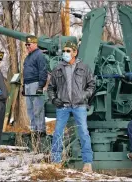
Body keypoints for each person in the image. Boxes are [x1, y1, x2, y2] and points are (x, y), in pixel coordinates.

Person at [47, 41, 95, 172]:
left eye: (68, 51)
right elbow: (51, 88)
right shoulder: (57, 68)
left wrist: (83, 96)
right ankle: (56, 161)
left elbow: (91, 85)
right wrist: (54, 99)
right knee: (57, 133)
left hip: (79, 106)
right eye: (64, 51)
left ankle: (87, 163)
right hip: (62, 106)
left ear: (75, 52)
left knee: (84, 133)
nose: (65, 53)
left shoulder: (84, 68)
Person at [22, 35, 47, 136]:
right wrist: (24, 86)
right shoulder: (28, 57)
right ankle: (33, 130)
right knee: (30, 109)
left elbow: (43, 71)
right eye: (26, 44)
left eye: (29, 44)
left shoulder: (39, 55)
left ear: (35, 44)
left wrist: (41, 86)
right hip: (28, 84)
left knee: (38, 109)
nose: (27, 46)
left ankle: (40, 130)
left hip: (35, 84)